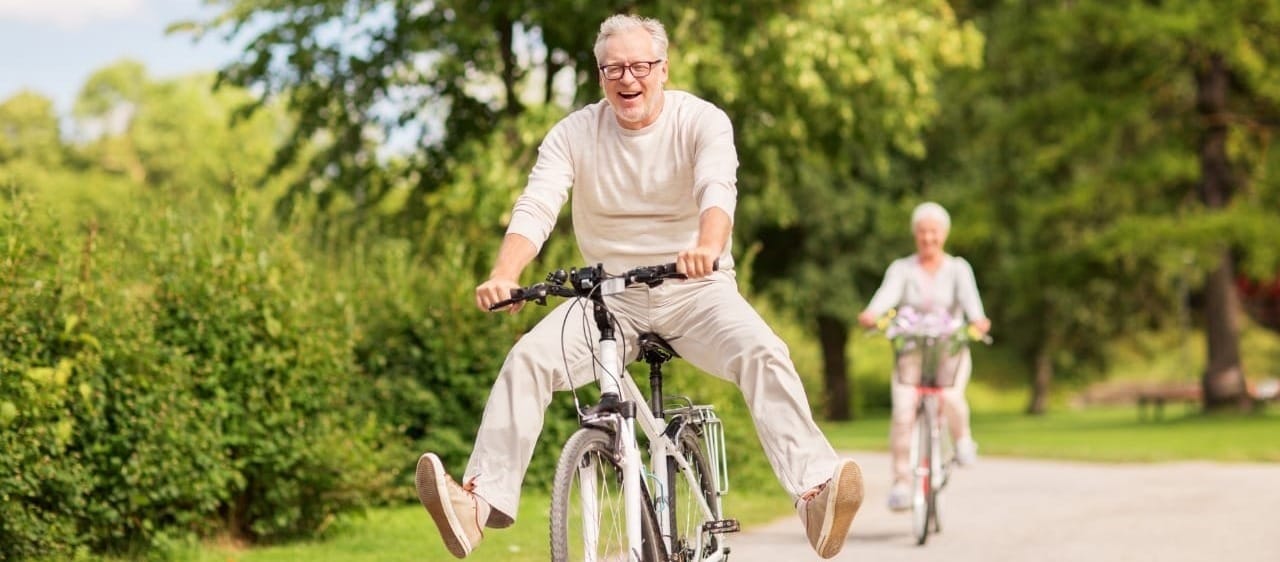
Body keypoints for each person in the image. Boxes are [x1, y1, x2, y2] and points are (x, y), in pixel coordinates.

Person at [413, 13, 864, 560]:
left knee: (764, 351)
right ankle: (477, 505)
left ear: (663, 69)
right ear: (600, 76)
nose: (628, 79)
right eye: (614, 69)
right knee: (527, 360)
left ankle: (815, 495)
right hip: (609, 298)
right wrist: (505, 274)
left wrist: (707, 245)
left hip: (696, 290)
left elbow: (718, 188)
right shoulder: (575, 132)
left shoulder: (701, 121)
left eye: (640, 66)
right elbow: (538, 204)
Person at [857, 201, 991, 512]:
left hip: (949, 350)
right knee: (903, 412)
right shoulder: (902, 269)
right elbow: (885, 296)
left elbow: (972, 304)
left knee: (951, 396)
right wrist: (872, 313)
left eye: (933, 232)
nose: (928, 238)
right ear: (915, 235)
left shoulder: (958, 269)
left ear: (943, 234)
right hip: (912, 352)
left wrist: (978, 321)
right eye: (922, 232)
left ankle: (962, 441)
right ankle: (902, 483)